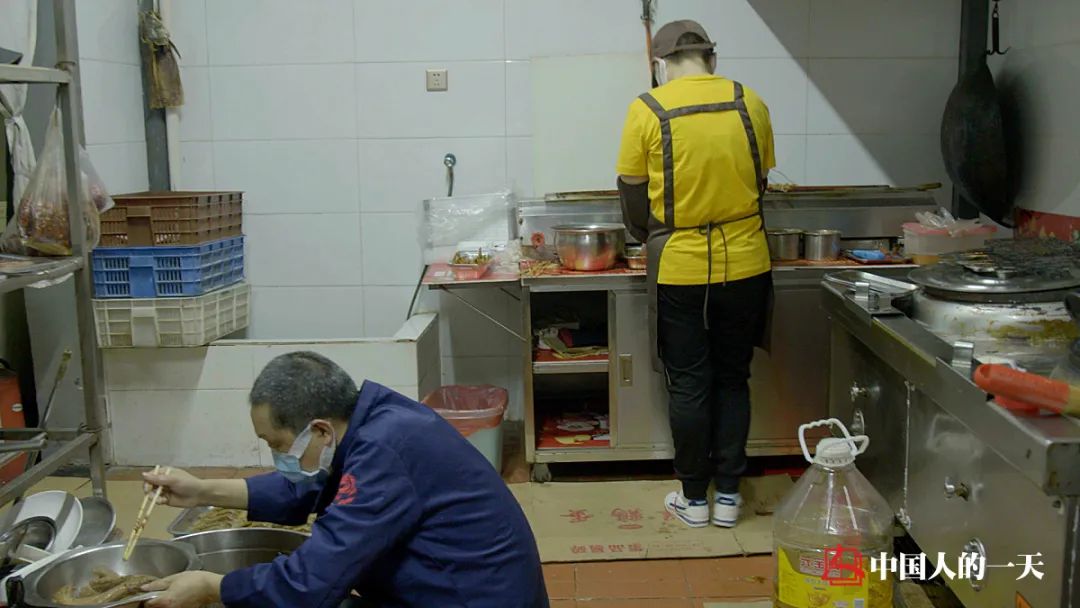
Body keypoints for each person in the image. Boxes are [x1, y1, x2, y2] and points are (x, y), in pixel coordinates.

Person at [141, 351, 548, 608]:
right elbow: (306, 488)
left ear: (319, 430)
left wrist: (213, 586)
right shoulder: (370, 421)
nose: (278, 457)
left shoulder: (385, 452)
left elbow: (310, 584)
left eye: (277, 445)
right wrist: (200, 491)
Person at [615, 20, 775, 529]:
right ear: (712, 58)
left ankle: (694, 499)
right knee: (733, 378)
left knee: (688, 383)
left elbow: (632, 195)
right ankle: (728, 497)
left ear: (660, 65)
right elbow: (761, 182)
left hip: (680, 268)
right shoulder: (750, 102)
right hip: (746, 263)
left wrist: (654, 235)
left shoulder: (647, 108)